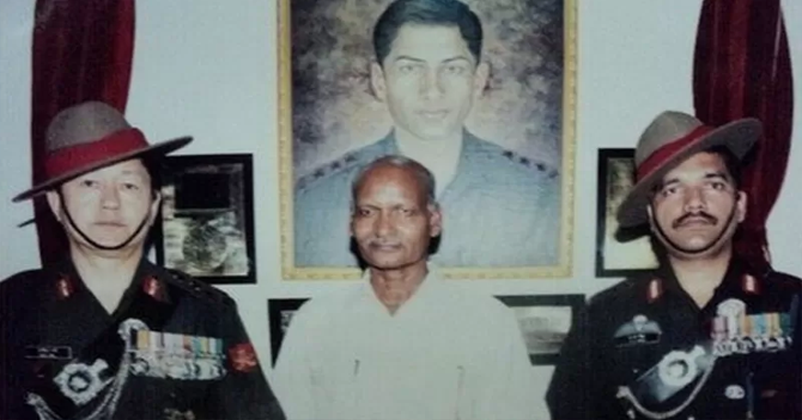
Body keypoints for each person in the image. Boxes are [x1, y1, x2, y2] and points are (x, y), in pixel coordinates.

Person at [0, 101, 285, 420]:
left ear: (152, 205)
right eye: (89, 183)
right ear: (56, 204)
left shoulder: (207, 312)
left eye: (128, 185)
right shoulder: (12, 307)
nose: (110, 202)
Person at [546, 111, 801, 420]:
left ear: (741, 205)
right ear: (651, 216)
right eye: (672, 189)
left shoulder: (791, 303)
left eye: (713, 185)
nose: (694, 203)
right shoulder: (603, 318)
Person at [294, 0, 560, 268]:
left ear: (478, 80)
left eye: (452, 68)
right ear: (379, 80)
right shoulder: (315, 201)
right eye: (410, 68)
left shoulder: (540, 196)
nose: (432, 90)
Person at [274, 155, 537, 420]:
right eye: (368, 212)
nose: (383, 229)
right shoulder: (315, 321)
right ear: (351, 223)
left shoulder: (486, 321)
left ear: (433, 220)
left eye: (403, 211)